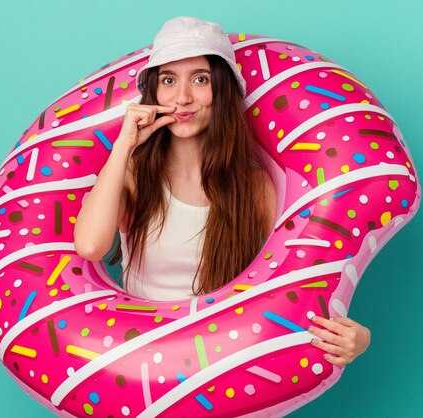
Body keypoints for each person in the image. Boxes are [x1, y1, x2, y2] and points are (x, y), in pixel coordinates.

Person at [74, 16, 370, 367]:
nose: (183, 97)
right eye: (169, 80)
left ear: (222, 92)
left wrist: (359, 339)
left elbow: (302, 279)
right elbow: (90, 246)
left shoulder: (255, 187)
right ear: (154, 92)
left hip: (225, 364)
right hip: (143, 363)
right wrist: (124, 145)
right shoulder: (134, 175)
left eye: (200, 80)